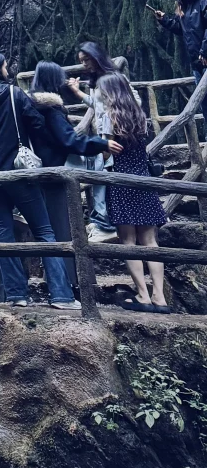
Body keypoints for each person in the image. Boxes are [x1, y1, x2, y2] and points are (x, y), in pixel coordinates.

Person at [0, 51, 77, 308]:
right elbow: (36, 124)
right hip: (18, 172)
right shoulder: (14, 94)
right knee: (44, 231)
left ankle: (16, 295)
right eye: (4, 65)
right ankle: (62, 295)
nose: (6, 68)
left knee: (4, 231)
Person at [29, 61, 123, 288]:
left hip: (43, 169)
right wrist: (100, 142)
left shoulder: (32, 106)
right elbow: (68, 140)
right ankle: (102, 220)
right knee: (100, 163)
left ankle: (65, 283)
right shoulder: (51, 109)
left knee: (56, 228)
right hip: (58, 167)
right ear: (53, 80)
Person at [96, 72, 171, 313]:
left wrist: (100, 142)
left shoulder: (110, 117)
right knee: (150, 241)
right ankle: (160, 297)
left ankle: (143, 294)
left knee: (128, 240)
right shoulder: (140, 116)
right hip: (144, 181)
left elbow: (107, 153)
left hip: (122, 181)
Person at [64, 42, 124, 243]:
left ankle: (105, 224)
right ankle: (102, 221)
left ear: (96, 56)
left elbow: (114, 111)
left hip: (112, 139)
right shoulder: (98, 80)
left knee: (102, 179)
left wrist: (108, 140)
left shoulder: (110, 79)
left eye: (86, 59)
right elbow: (97, 105)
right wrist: (77, 91)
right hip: (104, 138)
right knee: (99, 178)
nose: (84, 64)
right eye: (81, 61)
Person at [152, 0, 207, 80]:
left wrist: (205, 51)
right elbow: (182, 29)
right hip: (196, 62)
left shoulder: (204, 1)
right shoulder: (183, 6)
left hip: (205, 57)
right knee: (201, 97)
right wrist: (164, 20)